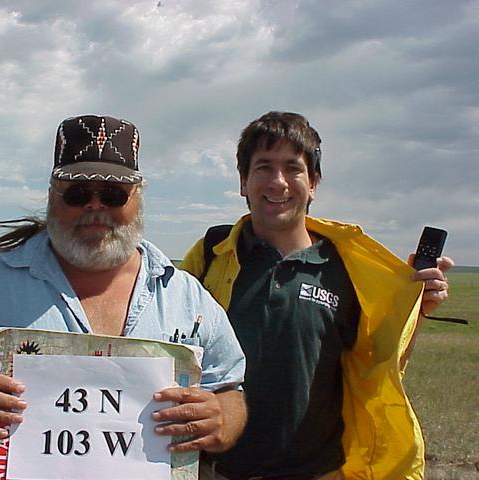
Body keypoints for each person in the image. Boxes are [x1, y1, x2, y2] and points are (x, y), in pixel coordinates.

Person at [0, 114, 247, 480]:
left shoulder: (186, 297)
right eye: (78, 193)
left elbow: (229, 390)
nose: (95, 207)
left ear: (138, 198)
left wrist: (221, 419)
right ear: (52, 196)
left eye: (113, 194)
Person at [181, 111, 453, 480]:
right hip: (215, 471)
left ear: (313, 183)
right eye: (263, 167)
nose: (278, 182)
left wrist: (416, 309)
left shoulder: (346, 270)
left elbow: (379, 363)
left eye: (293, 168)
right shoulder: (211, 255)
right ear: (243, 182)